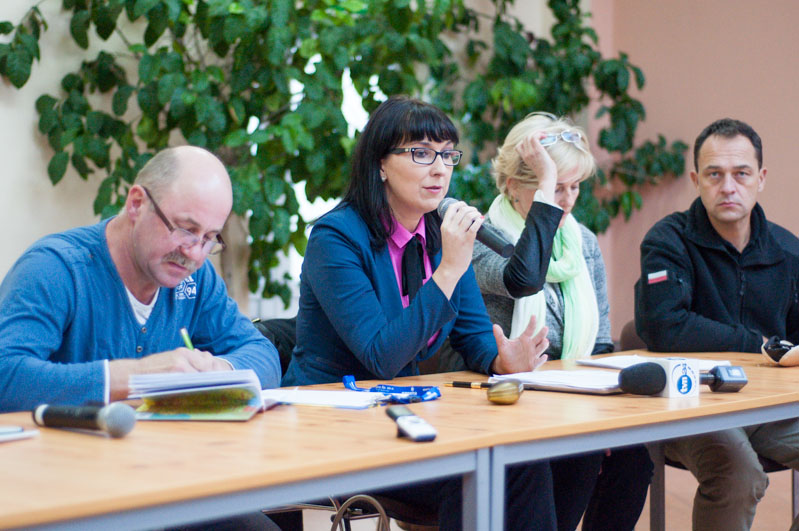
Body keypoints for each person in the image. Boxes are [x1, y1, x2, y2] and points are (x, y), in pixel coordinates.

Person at [282, 95, 557, 529]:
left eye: (448, 155)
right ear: (380, 164)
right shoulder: (335, 238)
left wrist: (501, 360)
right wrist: (448, 269)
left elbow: (473, 337)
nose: (440, 169)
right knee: (474, 472)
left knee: (539, 458)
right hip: (334, 424)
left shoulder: (437, 232)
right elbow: (382, 357)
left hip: (402, 416)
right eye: (422, 153)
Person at [471, 112, 652, 531]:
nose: (567, 200)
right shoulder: (483, 236)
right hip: (508, 402)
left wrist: (606, 415)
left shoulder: (583, 242)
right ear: (512, 185)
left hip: (573, 401)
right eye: (554, 187)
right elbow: (522, 277)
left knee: (633, 458)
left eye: (574, 187)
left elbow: (601, 343)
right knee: (579, 452)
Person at [0, 146, 282, 413]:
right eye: (185, 229)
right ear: (136, 204)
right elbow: (6, 374)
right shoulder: (57, 269)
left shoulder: (196, 281)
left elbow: (263, 355)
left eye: (209, 238)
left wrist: (217, 372)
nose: (195, 254)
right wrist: (139, 376)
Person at [635, 118, 799, 531]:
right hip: (690, 404)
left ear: (761, 178)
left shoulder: (787, 251)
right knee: (738, 474)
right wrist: (755, 343)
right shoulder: (667, 241)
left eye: (741, 174)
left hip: (768, 408)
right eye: (714, 174)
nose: (728, 187)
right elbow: (663, 326)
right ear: (696, 180)